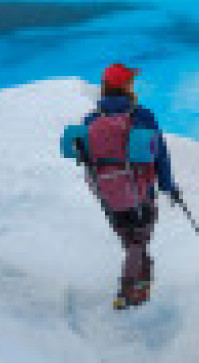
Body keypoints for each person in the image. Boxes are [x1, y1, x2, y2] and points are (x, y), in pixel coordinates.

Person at [81, 62, 183, 309]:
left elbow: (86, 160)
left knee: (131, 240)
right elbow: (160, 155)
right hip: (140, 193)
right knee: (138, 241)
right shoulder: (143, 117)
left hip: (108, 195)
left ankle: (141, 286)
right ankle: (128, 291)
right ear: (127, 87)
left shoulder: (91, 120)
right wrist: (169, 186)